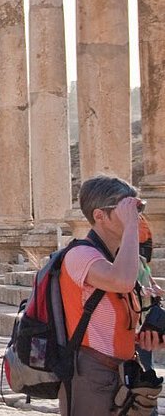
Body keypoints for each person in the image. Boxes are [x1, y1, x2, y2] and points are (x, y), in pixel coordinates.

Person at [58, 176, 165, 415]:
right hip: (91, 374)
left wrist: (145, 337)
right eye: (126, 210)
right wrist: (130, 228)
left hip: (126, 368)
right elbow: (122, 281)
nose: (135, 217)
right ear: (99, 215)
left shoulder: (126, 260)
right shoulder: (79, 256)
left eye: (136, 209)